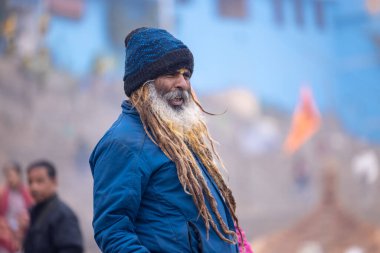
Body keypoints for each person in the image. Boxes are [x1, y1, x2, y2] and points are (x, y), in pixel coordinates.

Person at [90, 27, 253, 252]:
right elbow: (113, 231)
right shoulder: (123, 143)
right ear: (144, 85)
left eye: (186, 75)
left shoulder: (177, 137)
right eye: (171, 74)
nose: (183, 83)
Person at [23, 160, 83, 253]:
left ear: (54, 182)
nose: (34, 187)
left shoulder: (63, 215)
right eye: (30, 182)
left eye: (40, 181)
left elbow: (72, 249)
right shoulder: (34, 213)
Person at [0, 162, 33, 253]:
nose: (9, 179)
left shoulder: (28, 193)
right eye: (7, 176)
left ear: (18, 175)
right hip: (5, 232)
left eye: (11, 175)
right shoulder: (2, 193)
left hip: (23, 232)